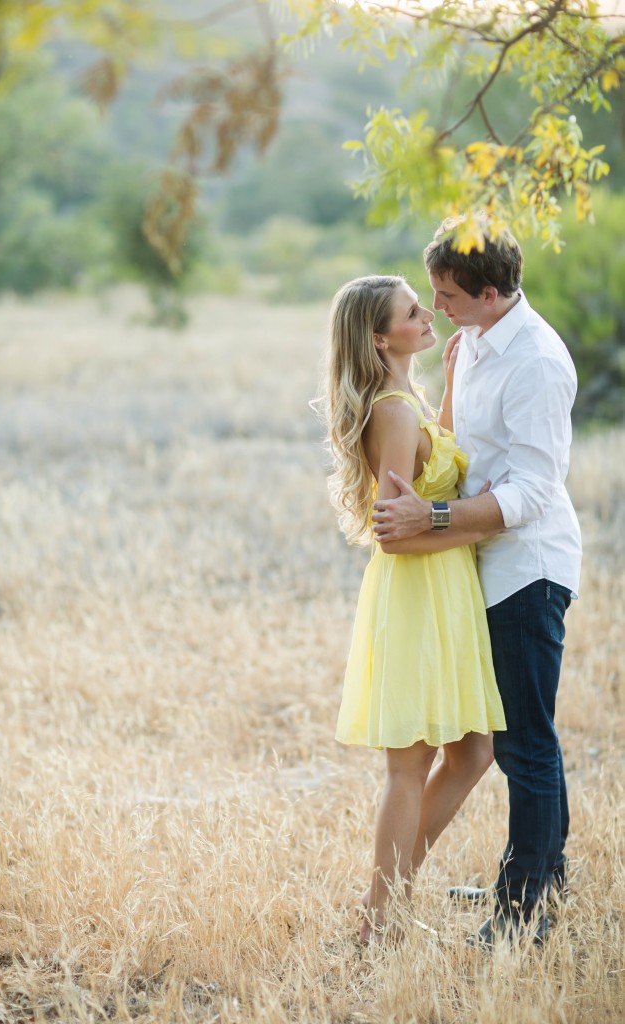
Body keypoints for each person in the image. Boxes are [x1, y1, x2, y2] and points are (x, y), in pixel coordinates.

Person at [372, 219, 582, 948]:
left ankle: (523, 909)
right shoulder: (474, 346)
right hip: (478, 566)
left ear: (492, 292)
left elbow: (532, 494)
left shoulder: (537, 363)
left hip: (527, 567)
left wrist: (430, 516)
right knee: (513, 740)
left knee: (525, 744)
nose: (438, 308)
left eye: (449, 295)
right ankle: (538, 876)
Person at [321, 274, 506, 944]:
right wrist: (484, 527)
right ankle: (381, 915)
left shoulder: (408, 401)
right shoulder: (393, 412)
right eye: (411, 311)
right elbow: (396, 537)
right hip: (419, 591)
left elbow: (435, 472)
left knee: (473, 752)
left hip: (444, 592)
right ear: (378, 337)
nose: (428, 313)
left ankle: (384, 903)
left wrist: (453, 387)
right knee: (412, 765)